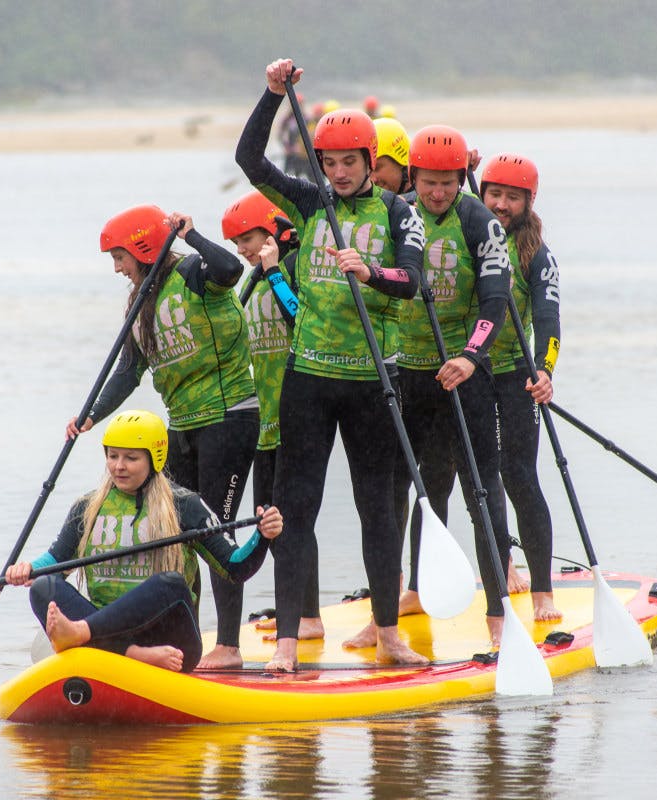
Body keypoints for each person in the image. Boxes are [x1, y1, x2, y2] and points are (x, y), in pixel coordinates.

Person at [236, 58, 427, 672]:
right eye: (330, 163)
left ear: (372, 164)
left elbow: (414, 282)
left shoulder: (398, 213)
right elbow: (249, 159)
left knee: (378, 507)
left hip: (374, 380)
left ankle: (389, 630)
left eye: (350, 162)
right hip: (309, 382)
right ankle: (289, 642)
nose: (339, 173)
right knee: (296, 508)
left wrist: (371, 272)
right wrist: (271, 96)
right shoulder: (308, 203)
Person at [66, 204, 260, 668]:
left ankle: (229, 647)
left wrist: (190, 235)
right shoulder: (139, 302)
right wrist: (90, 415)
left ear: (144, 247)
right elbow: (130, 371)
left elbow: (231, 267)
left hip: (229, 415)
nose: (116, 268)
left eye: (120, 257)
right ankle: (183, 638)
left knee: (217, 530)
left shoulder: (194, 272)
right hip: (182, 424)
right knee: (175, 536)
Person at [362, 125, 516, 648]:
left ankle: (499, 614)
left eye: (448, 183)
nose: (437, 193)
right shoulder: (395, 212)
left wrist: (471, 356)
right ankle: (396, 603)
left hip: (464, 374)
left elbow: (496, 298)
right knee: (395, 492)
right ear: (414, 176)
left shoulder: (477, 219)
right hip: (406, 372)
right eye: (428, 182)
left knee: (482, 490)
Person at [6, 410, 283, 672]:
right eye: (112, 456)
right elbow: (56, 560)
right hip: (110, 632)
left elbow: (235, 568)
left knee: (171, 583)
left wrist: (262, 536)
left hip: (172, 645)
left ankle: (84, 635)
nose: (118, 466)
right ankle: (127, 652)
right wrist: (28, 570)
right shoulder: (87, 506)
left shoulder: (184, 505)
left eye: (131, 458)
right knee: (44, 586)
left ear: (155, 459)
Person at [221, 191, 327, 642]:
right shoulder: (250, 283)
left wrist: (272, 270)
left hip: (299, 415)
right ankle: (299, 610)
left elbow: (303, 321)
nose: (243, 250)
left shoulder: (293, 269)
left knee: (294, 520)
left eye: (248, 238)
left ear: (274, 233)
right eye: (237, 242)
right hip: (261, 419)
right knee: (267, 518)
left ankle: (308, 617)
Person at [479, 153, 563, 622]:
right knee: (482, 481)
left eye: (513, 197)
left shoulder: (536, 255)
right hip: (470, 372)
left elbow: (548, 321)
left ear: (529, 202)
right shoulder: (469, 233)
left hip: (515, 372)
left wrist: (544, 370)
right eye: (494, 194)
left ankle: (543, 591)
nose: (501, 205)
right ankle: (504, 567)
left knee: (520, 478)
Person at [370, 118, 411, 194]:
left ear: (400, 162)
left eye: (376, 168)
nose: (372, 180)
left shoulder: (428, 202)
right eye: (367, 171)